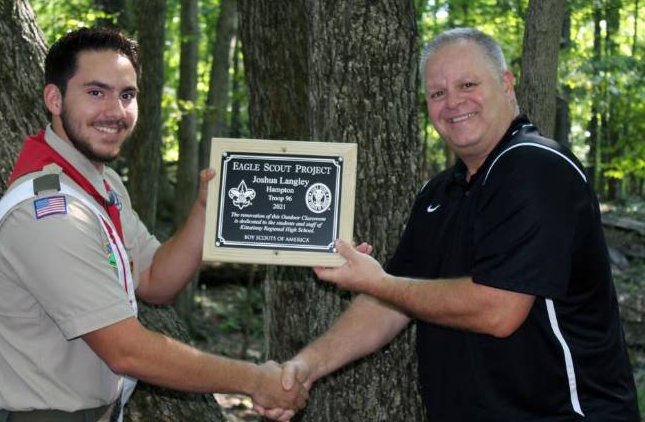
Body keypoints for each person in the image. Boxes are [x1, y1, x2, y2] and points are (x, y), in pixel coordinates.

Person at [263, 27, 640, 421]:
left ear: (506, 84)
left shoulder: (536, 167)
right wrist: (305, 367)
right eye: (437, 93)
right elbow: (389, 305)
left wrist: (378, 281)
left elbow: (498, 310)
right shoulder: (439, 194)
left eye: (468, 84)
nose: (453, 102)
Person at [0, 27, 307, 422]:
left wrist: (207, 209)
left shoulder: (101, 185)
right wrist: (253, 379)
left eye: (127, 95)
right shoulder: (50, 213)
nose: (115, 111)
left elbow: (156, 278)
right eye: (95, 92)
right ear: (54, 99)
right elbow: (127, 349)